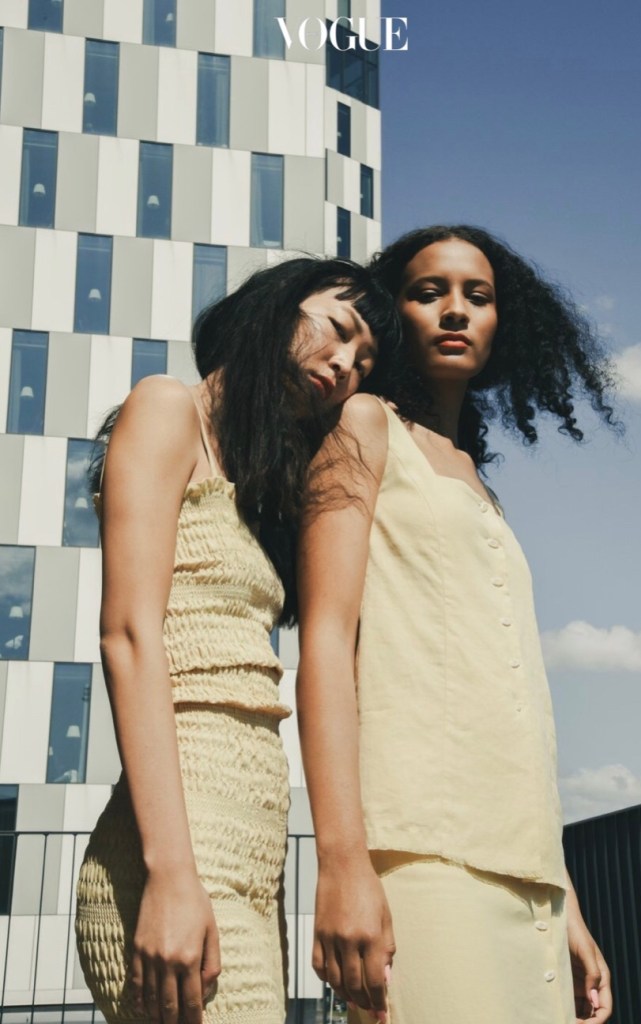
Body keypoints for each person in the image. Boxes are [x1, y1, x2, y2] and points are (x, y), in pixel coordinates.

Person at [296, 226, 617, 1024]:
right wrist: (342, 864)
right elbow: (326, 642)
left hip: (527, 873)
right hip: (422, 851)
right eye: (427, 291)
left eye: (477, 296)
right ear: (392, 312)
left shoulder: (476, 481)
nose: (454, 310)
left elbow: (510, 700)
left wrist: (566, 903)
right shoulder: (364, 425)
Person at [74, 255, 400, 1024]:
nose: (344, 365)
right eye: (338, 329)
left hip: (255, 854)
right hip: (180, 851)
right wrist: (172, 876)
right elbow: (128, 637)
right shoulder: (165, 408)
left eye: (362, 361)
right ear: (275, 305)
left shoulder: (259, 487)